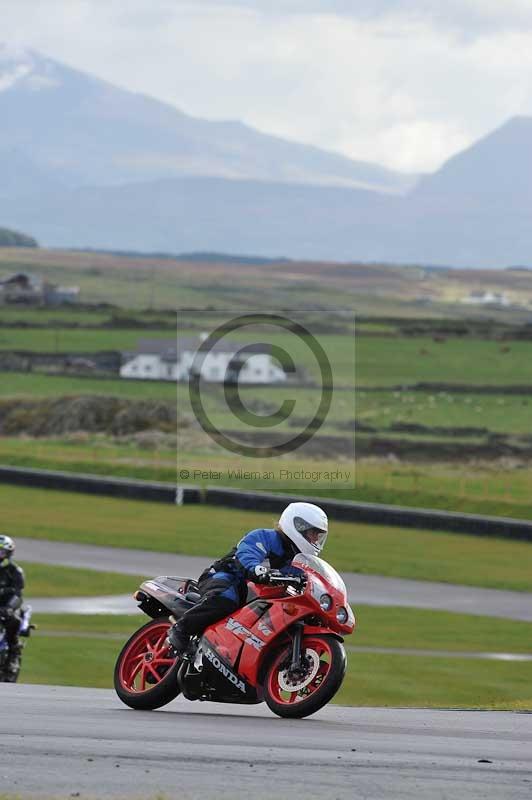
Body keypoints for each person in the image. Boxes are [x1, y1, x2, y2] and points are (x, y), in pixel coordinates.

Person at [167, 501, 328, 655]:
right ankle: (181, 629)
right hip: (227, 577)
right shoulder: (265, 537)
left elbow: (309, 580)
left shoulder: (298, 561)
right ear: (298, 526)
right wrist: (257, 570)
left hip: (256, 599)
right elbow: (246, 555)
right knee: (225, 599)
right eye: (312, 533)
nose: (315, 540)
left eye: (318, 536)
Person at [0, 534, 25, 682]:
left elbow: (18, 594)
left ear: (8, 554)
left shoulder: (15, 571)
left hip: (6, 608)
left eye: (1, 552)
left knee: (13, 620)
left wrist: (9, 608)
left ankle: (13, 654)